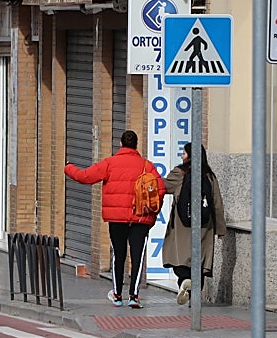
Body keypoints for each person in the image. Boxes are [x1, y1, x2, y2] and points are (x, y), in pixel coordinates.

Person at [64, 129, 164, 308]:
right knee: (138, 256)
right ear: (136, 144)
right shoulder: (146, 165)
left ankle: (117, 295)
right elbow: (160, 189)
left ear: (120, 144)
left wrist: (68, 167)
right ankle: (134, 296)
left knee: (118, 255)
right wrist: (152, 215)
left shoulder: (110, 163)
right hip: (140, 218)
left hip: (117, 219)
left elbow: (85, 176)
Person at [162, 142, 227, 305]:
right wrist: (220, 229)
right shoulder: (210, 176)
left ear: (190, 156)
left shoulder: (180, 173)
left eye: (184, 153)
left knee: (180, 259)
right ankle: (194, 296)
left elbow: (162, 186)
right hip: (205, 225)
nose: (181, 156)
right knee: (200, 262)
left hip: (182, 225)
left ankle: (184, 281)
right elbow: (217, 203)